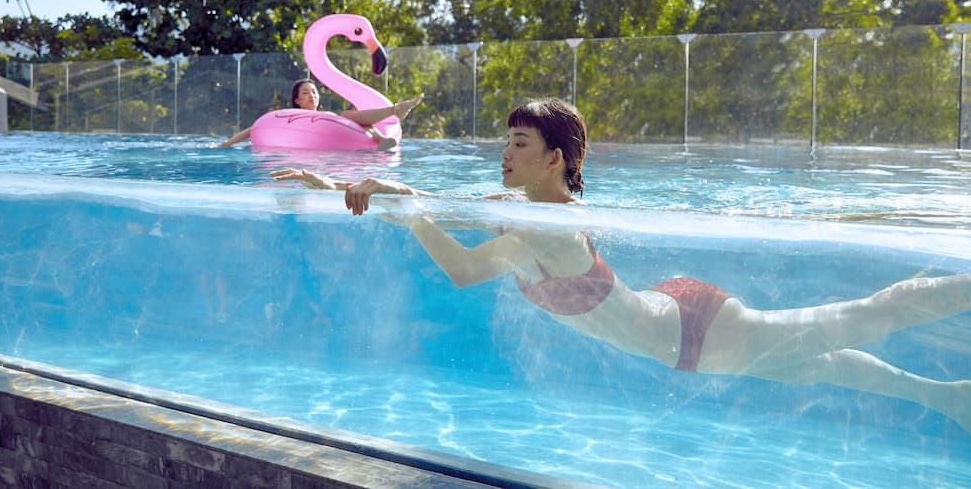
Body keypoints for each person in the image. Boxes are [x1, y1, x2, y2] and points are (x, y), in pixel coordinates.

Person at [272, 98, 971, 432]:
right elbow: (442, 219)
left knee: (860, 319)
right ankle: (948, 396)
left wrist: (403, 205)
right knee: (820, 363)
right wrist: (332, 185)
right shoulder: (518, 211)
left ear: (555, 159)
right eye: (505, 140)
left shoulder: (544, 225)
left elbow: (457, 257)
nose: (505, 153)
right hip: (679, 330)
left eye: (520, 142)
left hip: (698, 331)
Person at [217, 79, 424, 150]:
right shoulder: (287, 118)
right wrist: (227, 144)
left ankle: (385, 129)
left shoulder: (329, 116)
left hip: (342, 144)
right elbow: (255, 129)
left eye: (314, 92)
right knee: (348, 115)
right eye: (306, 93)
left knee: (348, 116)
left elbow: (355, 129)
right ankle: (395, 111)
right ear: (296, 100)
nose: (312, 96)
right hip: (307, 154)